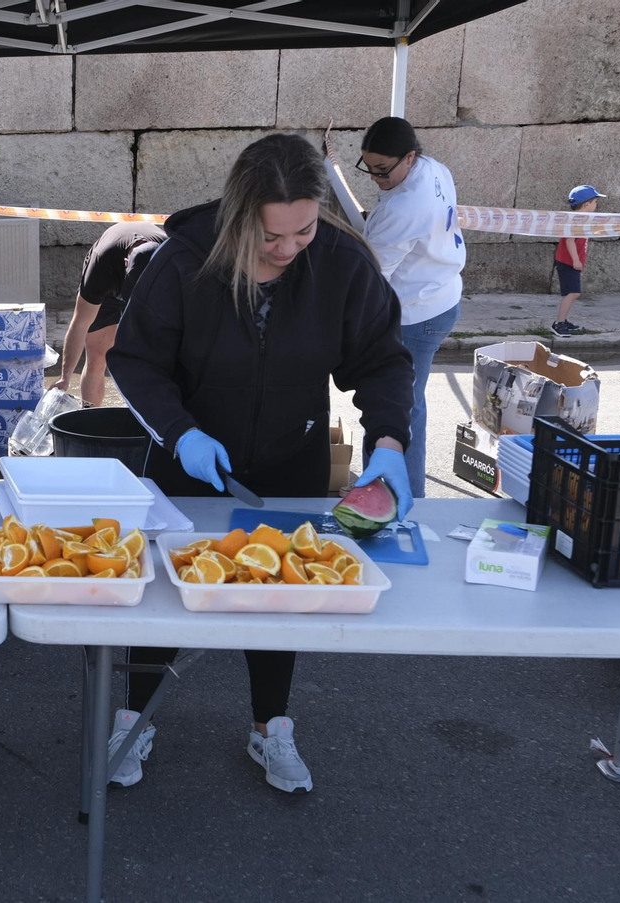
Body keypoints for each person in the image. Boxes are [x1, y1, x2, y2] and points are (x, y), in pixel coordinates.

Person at [108, 133, 416, 794]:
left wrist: (390, 443)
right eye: (270, 236)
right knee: (161, 602)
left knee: (281, 599)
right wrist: (180, 433)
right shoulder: (184, 261)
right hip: (187, 463)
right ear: (239, 215)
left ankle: (270, 725)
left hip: (290, 463)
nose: (286, 249)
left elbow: (383, 360)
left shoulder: (340, 263)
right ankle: (133, 719)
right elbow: (134, 360)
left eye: (303, 231)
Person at [357, 116, 466, 500]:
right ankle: (396, 494)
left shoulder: (404, 207)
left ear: (409, 157)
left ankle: (398, 497)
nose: (376, 178)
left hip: (414, 312)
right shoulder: (434, 168)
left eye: (383, 170)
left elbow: (371, 278)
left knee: (396, 409)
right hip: (440, 296)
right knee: (409, 402)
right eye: (369, 168)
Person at [51, 221, 166, 406]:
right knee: (98, 355)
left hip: (157, 281)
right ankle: (90, 416)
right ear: (126, 263)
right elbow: (80, 324)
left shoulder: (171, 258)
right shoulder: (101, 266)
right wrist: (65, 377)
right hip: (110, 281)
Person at [552, 184, 606, 337]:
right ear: (587, 204)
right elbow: (570, 240)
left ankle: (563, 320)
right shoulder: (576, 221)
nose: (596, 205)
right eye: (595, 202)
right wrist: (576, 260)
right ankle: (559, 324)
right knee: (573, 293)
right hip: (568, 262)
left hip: (570, 262)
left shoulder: (580, 219)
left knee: (572, 293)